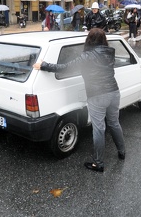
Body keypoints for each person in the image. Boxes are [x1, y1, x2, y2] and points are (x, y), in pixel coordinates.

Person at [33, 28, 125, 173]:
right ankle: (122, 152)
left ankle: (98, 163)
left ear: (89, 40)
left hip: (97, 95)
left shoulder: (86, 56)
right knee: (114, 123)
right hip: (114, 92)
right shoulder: (110, 52)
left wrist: (43, 65)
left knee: (99, 129)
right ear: (103, 40)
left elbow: (65, 68)